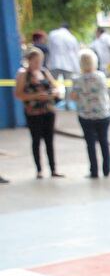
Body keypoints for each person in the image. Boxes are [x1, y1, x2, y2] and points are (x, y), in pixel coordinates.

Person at [14, 47, 62, 179]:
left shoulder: (44, 72)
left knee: (49, 140)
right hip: (33, 112)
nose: (38, 64)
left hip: (48, 110)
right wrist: (35, 96)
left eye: (39, 61)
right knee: (36, 140)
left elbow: (56, 87)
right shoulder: (23, 74)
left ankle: (53, 169)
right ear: (29, 60)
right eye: (35, 61)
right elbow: (18, 94)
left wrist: (52, 93)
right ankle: (39, 169)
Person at [70, 49, 110, 178]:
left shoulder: (77, 79)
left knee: (90, 144)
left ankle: (94, 171)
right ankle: (107, 169)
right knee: (104, 141)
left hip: (86, 115)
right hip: (103, 114)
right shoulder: (101, 76)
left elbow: (73, 96)